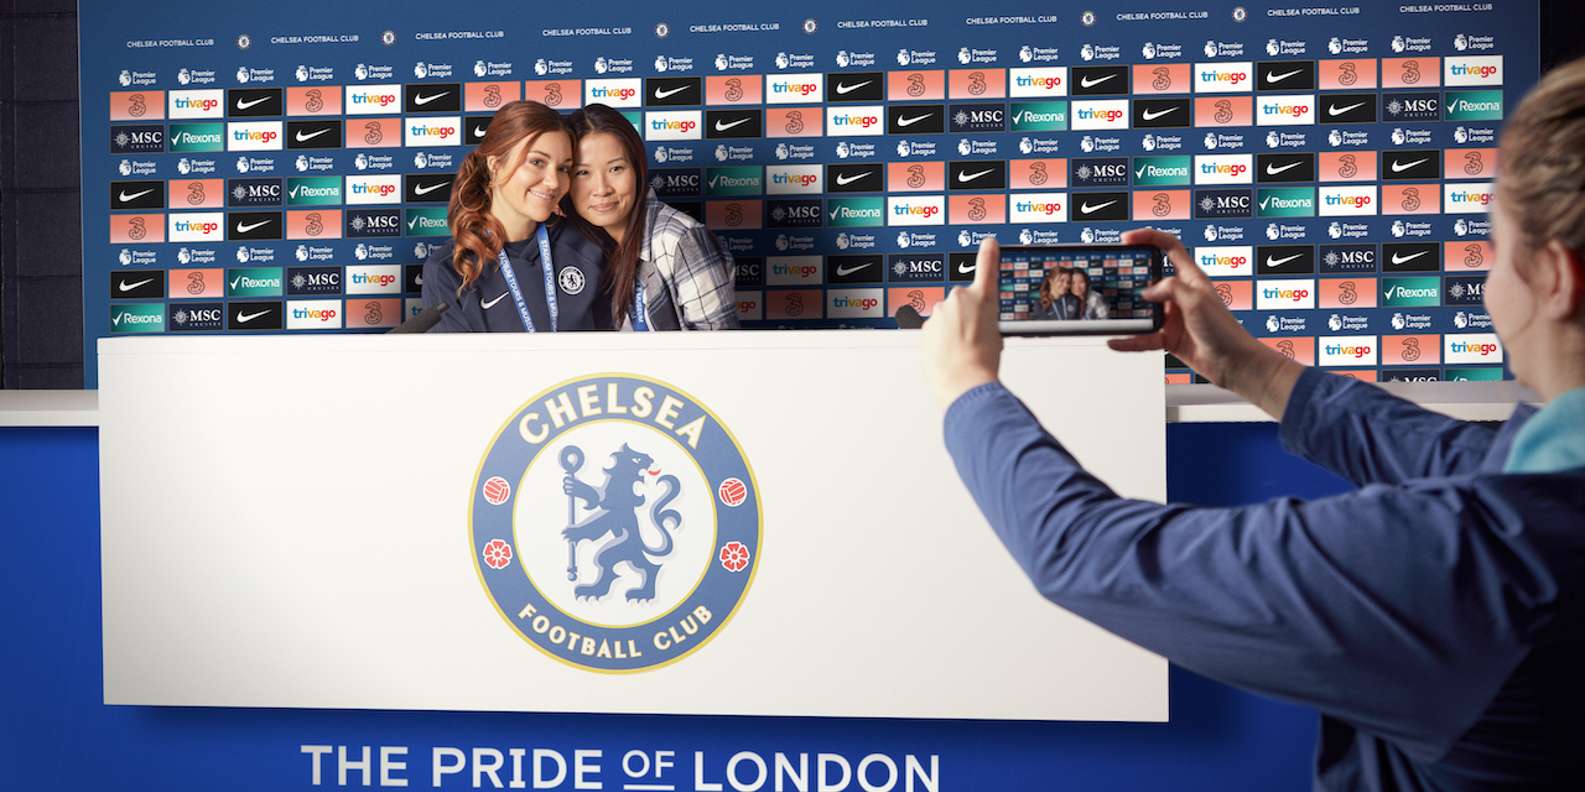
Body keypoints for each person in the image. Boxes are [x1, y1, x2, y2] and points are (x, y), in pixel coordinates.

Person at [922, 59, 1585, 790]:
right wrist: (1246, 367)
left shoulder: (1471, 567)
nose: (1486, 281)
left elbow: (1085, 555)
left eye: (1492, 251)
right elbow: (1467, 458)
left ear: (1554, 277)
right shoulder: (1543, 492)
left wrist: (967, 384)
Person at [421, 100, 610, 332]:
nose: (553, 182)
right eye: (537, 162)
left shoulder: (589, 246)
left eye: (563, 168)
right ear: (495, 165)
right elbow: (459, 367)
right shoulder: (449, 269)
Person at [564, 103, 738, 330]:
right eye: (583, 173)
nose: (602, 188)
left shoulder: (679, 240)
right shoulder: (574, 243)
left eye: (616, 169)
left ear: (637, 169)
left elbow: (719, 351)